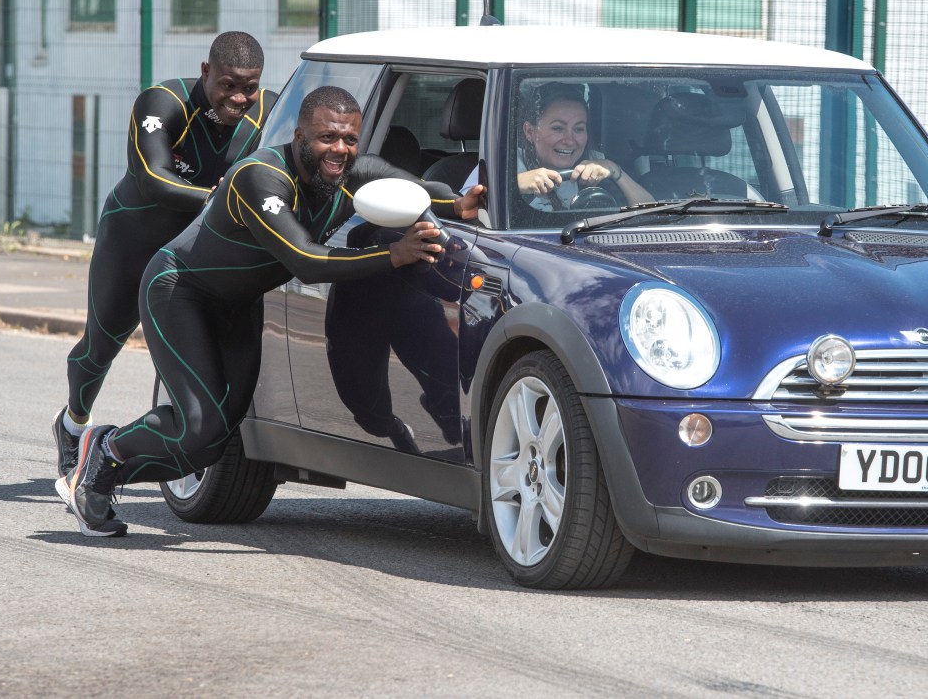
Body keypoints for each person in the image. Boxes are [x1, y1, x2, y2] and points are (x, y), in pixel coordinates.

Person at [55, 85, 485, 537]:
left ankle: (103, 472)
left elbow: (415, 188)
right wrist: (393, 255)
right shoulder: (260, 178)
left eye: (350, 140)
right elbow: (306, 260)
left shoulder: (353, 171)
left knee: (213, 442)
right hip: (179, 292)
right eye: (326, 138)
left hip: (238, 304)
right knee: (198, 423)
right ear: (300, 135)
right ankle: (106, 448)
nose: (339, 150)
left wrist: (457, 204)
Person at [52, 31, 276, 489]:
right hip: (134, 238)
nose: (239, 97)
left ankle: (179, 440)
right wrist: (220, 200)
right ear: (205, 72)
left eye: (249, 87)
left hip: (197, 255)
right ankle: (73, 422)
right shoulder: (163, 102)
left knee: (198, 354)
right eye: (229, 85)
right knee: (101, 346)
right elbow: (153, 177)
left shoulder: (269, 112)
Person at [461, 81, 652, 209]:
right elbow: (465, 209)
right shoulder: (502, 164)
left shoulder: (596, 163)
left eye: (578, 129)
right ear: (530, 131)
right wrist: (515, 184)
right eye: (558, 128)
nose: (569, 140)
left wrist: (615, 171)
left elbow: (652, 214)